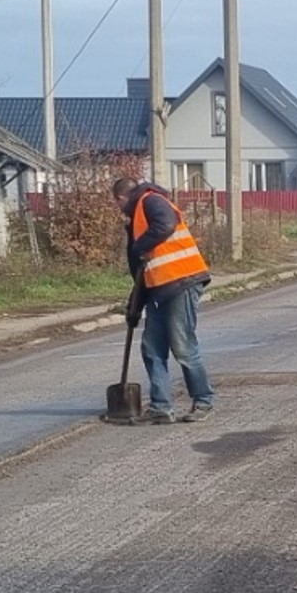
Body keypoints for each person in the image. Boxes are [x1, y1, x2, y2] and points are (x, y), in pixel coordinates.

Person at [114, 176, 215, 425]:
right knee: (151, 348)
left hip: (183, 282)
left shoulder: (151, 200)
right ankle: (161, 406)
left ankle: (203, 400)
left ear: (120, 199)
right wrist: (134, 307)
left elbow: (165, 225)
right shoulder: (137, 217)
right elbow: (144, 272)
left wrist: (139, 247)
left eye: (116, 204)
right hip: (160, 288)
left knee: (183, 347)